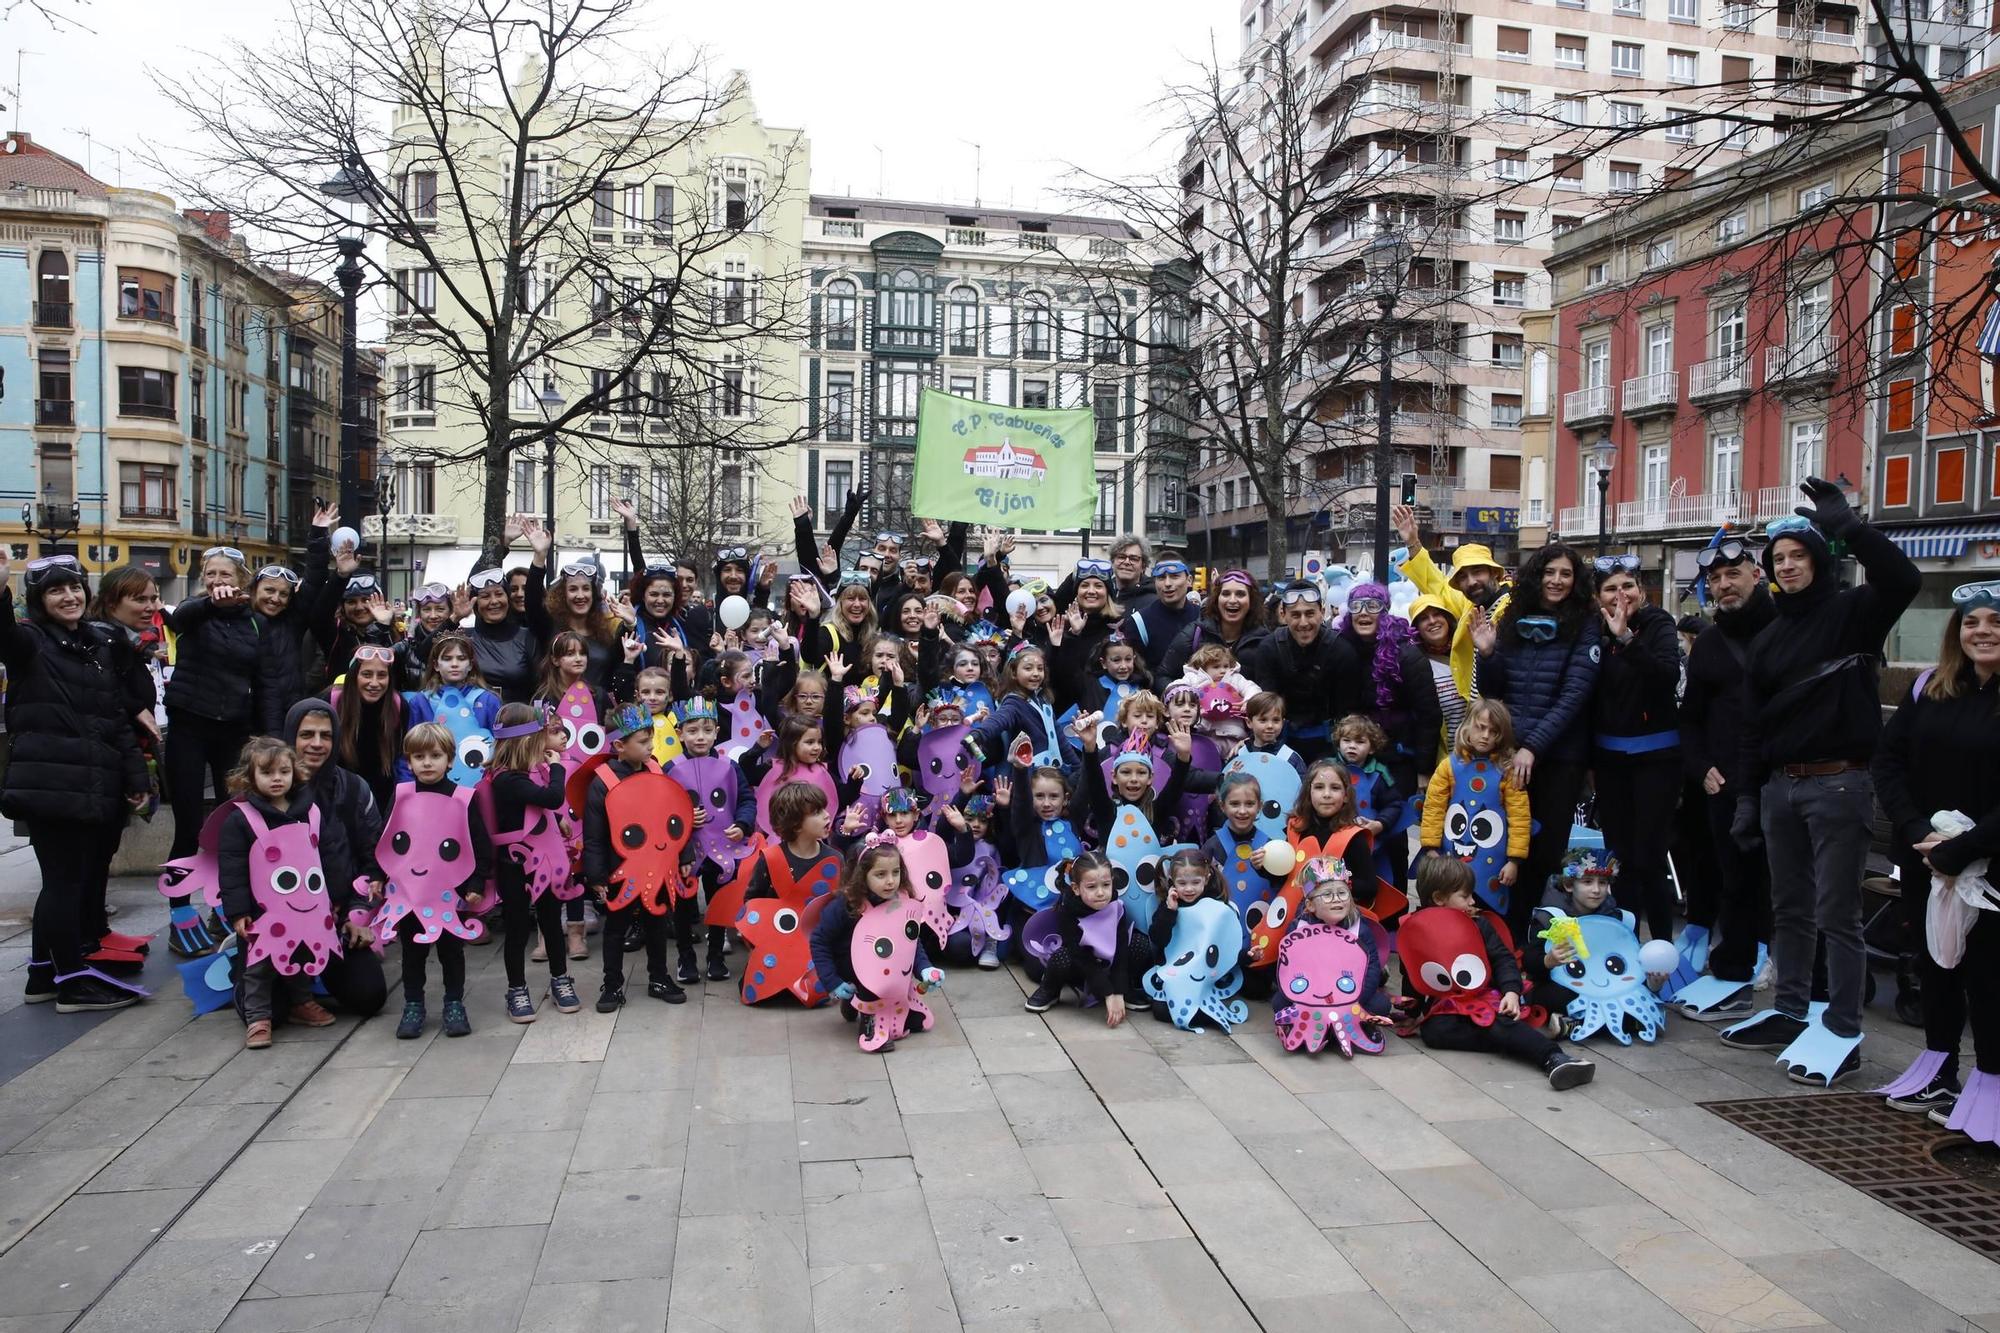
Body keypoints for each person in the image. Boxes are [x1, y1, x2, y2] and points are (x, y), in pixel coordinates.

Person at [1722, 478, 1920, 1085]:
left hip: (1839, 783)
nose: (1787, 566)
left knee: (1837, 912)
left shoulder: (1854, 614)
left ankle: (1841, 1029)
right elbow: (1754, 726)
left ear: (1819, 560)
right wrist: (1749, 796)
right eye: (1778, 559)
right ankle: (1788, 1011)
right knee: (1788, 909)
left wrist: (1852, 529)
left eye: (1798, 556)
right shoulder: (1770, 636)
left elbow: (1904, 581)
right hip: (1782, 786)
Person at [1872, 579, 2000, 1134]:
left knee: (1990, 977)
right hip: (1929, 858)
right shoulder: (1931, 688)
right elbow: (1890, 762)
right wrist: (1918, 830)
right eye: (1972, 622)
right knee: (1937, 967)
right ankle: (1939, 1065)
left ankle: (1991, 1084)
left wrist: (1965, 849)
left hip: (1989, 865)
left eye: (1995, 621)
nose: (1983, 631)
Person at [3, 553, 152, 1012]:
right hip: (51, 785)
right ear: (38, 600)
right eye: (55, 590)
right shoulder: (31, 642)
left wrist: (134, 775)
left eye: (74, 588)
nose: (68, 597)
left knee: (68, 882)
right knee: (64, 883)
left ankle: (42, 974)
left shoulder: (95, 643)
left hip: (90, 783)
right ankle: (72, 979)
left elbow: (115, 717)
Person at [1470, 541, 1599, 943]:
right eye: (1549, 572)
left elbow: (1576, 694)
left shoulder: (1586, 622)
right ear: (1536, 575)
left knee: (1544, 852)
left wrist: (1534, 747)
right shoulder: (1514, 616)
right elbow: (1495, 691)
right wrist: (1488, 654)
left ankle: (1531, 937)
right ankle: (1501, 937)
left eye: (1565, 574)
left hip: (1557, 757)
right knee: (1507, 848)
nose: (1557, 581)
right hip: (1511, 755)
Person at [1676, 535, 1776, 1021]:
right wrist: (1701, 768)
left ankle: (1776, 966)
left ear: (1757, 574)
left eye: (1732, 574)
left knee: (1779, 881)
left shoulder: (1785, 627)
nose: (1723, 585)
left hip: (1778, 778)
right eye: (1715, 579)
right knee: (1729, 876)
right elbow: (1691, 716)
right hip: (1723, 782)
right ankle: (1732, 970)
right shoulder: (1710, 643)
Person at [1400, 857, 1595, 1089]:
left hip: (1488, 997)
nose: (1472, 900)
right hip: (1449, 1004)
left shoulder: (1478, 924)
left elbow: (1504, 960)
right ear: (1439, 898)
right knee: (1432, 1032)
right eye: (1465, 896)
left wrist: (1511, 992)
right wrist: (1411, 1008)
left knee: (1496, 1022)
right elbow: (1412, 971)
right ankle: (1511, 1040)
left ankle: (1553, 1057)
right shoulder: (1416, 928)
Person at [162, 543, 262, 955]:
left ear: (241, 581)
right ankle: (178, 914)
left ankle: (224, 908)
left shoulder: (252, 622)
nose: (217, 581)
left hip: (232, 730)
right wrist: (208, 603)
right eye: (211, 575)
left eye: (225, 575)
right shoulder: (192, 611)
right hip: (188, 726)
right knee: (187, 825)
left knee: (230, 824)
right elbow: (181, 618)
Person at [218, 738, 342, 1049]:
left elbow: (327, 856)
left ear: (295, 773)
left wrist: (335, 899)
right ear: (249, 777)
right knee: (259, 966)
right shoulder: (241, 819)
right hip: (263, 912)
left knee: (301, 956)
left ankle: (302, 1002)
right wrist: (238, 912)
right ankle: (258, 1016)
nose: (277, 779)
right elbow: (231, 869)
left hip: (307, 906)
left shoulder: (310, 812)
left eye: (283, 771)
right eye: (267, 772)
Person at [1588, 554, 1683, 943]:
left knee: (1650, 857)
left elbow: (1666, 676)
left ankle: (1662, 945)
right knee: (1620, 858)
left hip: (1655, 758)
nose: (1620, 595)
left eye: (1628, 586)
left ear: (1641, 592)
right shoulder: (1592, 631)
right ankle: (1624, 944)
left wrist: (1626, 638)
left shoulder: (1658, 624)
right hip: (1609, 760)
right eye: (1610, 588)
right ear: (1597, 598)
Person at [281, 698, 391, 1020]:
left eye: (325, 736)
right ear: (291, 736)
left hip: (337, 920)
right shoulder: (268, 790)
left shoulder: (355, 789)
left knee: (370, 996)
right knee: (266, 1011)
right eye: (307, 735)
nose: (317, 744)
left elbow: (375, 861)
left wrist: (357, 914)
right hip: (281, 923)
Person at [383, 723, 490, 1040]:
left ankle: (454, 1002)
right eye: (419, 756)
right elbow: (386, 842)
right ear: (408, 760)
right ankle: (413, 1004)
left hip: (448, 895)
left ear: (450, 759)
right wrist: (379, 878)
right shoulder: (402, 796)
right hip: (410, 895)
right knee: (412, 953)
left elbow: (478, 844)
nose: (427, 763)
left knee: (450, 952)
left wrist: (475, 883)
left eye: (435, 755)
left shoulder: (462, 799)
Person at [581, 707, 686, 1011]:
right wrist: (597, 876)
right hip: (620, 870)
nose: (651, 746)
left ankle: (659, 977)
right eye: (643, 741)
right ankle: (612, 984)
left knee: (656, 922)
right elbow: (594, 834)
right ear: (619, 746)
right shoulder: (602, 781)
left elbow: (675, 818)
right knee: (616, 928)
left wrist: (684, 854)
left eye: (651, 739)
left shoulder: (656, 769)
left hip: (658, 865)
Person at [485, 701, 579, 1022]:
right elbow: (550, 796)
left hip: (540, 862)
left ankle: (560, 979)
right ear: (527, 741)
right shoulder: (506, 779)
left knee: (551, 921)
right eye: (543, 735)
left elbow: (541, 806)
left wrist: (557, 818)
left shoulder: (523, 774)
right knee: (516, 928)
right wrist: (558, 768)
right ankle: (517, 989)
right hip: (514, 864)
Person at [812, 841, 941, 1052]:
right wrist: (833, 982)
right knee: (873, 971)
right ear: (862, 875)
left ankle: (902, 1010)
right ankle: (870, 1021)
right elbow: (819, 940)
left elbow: (911, 941)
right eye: (880, 874)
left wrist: (925, 968)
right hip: (852, 965)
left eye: (896, 872)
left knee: (897, 965)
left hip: (889, 962)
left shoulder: (901, 901)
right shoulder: (846, 904)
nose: (891, 881)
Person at [1419, 700, 1531, 916]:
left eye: (1494, 731)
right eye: (1480, 727)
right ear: (1467, 726)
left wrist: (1514, 861)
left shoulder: (1508, 771)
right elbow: (1434, 807)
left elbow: (1520, 819)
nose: (1486, 735)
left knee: (1487, 912)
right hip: (1451, 855)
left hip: (1493, 863)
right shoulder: (1449, 766)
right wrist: (1431, 847)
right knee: (1448, 903)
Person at [665, 698, 749, 984]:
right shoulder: (670, 768)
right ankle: (685, 957)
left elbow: (746, 800)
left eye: (706, 730)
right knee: (682, 906)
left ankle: (715, 956)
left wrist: (742, 824)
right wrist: (684, 821)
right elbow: (661, 810)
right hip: (685, 852)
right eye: (692, 730)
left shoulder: (729, 767)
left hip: (722, 850)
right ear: (680, 733)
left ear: (716, 733)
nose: (699, 736)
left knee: (718, 904)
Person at [1392, 502, 1511, 704]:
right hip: (1474, 714)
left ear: (1494, 573)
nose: (1471, 582)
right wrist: (1413, 542)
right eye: (1463, 576)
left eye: (1477, 572)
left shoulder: (1513, 607)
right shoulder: (1469, 605)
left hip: (1502, 715)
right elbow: (1436, 583)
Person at [1338, 582, 1440, 795]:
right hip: (1355, 757)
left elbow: (1428, 715)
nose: (1364, 612)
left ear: (1384, 612)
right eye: (1356, 606)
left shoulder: (1408, 656)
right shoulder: (1342, 649)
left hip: (1398, 759)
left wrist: (1424, 769)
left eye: (1372, 606)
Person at [1250, 580, 1360, 763]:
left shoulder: (1341, 650)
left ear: (1322, 612)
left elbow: (1348, 711)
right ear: (1283, 615)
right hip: (1279, 741)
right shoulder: (1269, 648)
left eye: (1310, 614)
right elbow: (1264, 706)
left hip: (1331, 743)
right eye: (1296, 615)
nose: (1303, 623)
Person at [1023, 851, 1138, 1023]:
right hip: (1080, 967)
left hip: (1107, 964)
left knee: (1138, 943)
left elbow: (1121, 951)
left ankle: (1127, 989)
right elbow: (1081, 957)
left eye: (1106, 885)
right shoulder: (1067, 911)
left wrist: (1118, 991)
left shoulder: (1118, 907)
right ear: (1076, 888)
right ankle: (1050, 989)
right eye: (1091, 887)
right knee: (1062, 956)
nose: (1101, 893)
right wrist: (1107, 992)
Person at [252, 503, 332, 733]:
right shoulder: (240, 618)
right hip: (246, 715)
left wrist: (318, 534)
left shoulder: (292, 621)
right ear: (255, 589)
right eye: (269, 591)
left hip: (287, 710)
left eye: (283, 594)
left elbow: (315, 579)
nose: (275, 599)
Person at [1159, 568, 1267, 684]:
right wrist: (1180, 694)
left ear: (1251, 601)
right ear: (1216, 599)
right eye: (1226, 593)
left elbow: (1272, 691)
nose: (1232, 600)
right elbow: (1163, 676)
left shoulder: (1264, 641)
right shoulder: (1194, 634)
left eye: (1240, 594)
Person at [1408, 594, 1468, 772]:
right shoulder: (1415, 663)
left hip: (1479, 756)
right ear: (1417, 628)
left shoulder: (1470, 651)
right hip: (1441, 764)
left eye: (1437, 614)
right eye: (1424, 618)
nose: (1432, 621)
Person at [1117, 556, 1201, 675]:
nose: (1167, 583)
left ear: (1189, 580)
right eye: (1161, 578)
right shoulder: (1139, 622)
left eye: (1174, 576)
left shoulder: (1204, 617)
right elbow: (1134, 674)